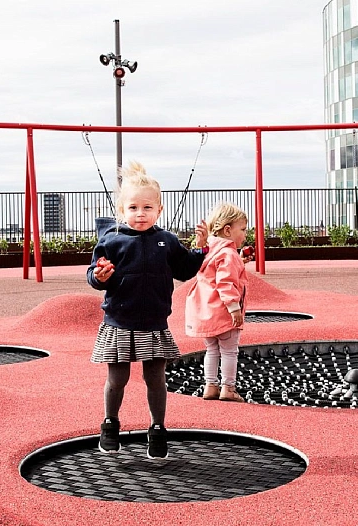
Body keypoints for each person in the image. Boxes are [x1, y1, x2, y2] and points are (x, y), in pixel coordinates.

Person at [87, 161, 209, 459]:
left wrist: (202, 248)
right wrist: (99, 276)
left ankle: (157, 429)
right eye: (133, 208)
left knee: (156, 379)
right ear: (121, 210)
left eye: (147, 207)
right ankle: (110, 424)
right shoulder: (111, 241)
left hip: (154, 325)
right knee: (118, 379)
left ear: (160, 210)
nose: (140, 214)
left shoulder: (165, 241)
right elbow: (95, 275)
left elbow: (185, 269)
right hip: (119, 323)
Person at [185, 202, 249, 403]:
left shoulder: (209, 250)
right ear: (228, 230)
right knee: (230, 351)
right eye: (243, 229)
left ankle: (210, 385)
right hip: (223, 313)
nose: (246, 235)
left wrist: (239, 261)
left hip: (206, 312)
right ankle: (228, 388)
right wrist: (234, 308)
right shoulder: (228, 254)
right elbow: (225, 282)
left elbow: (213, 274)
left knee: (211, 350)